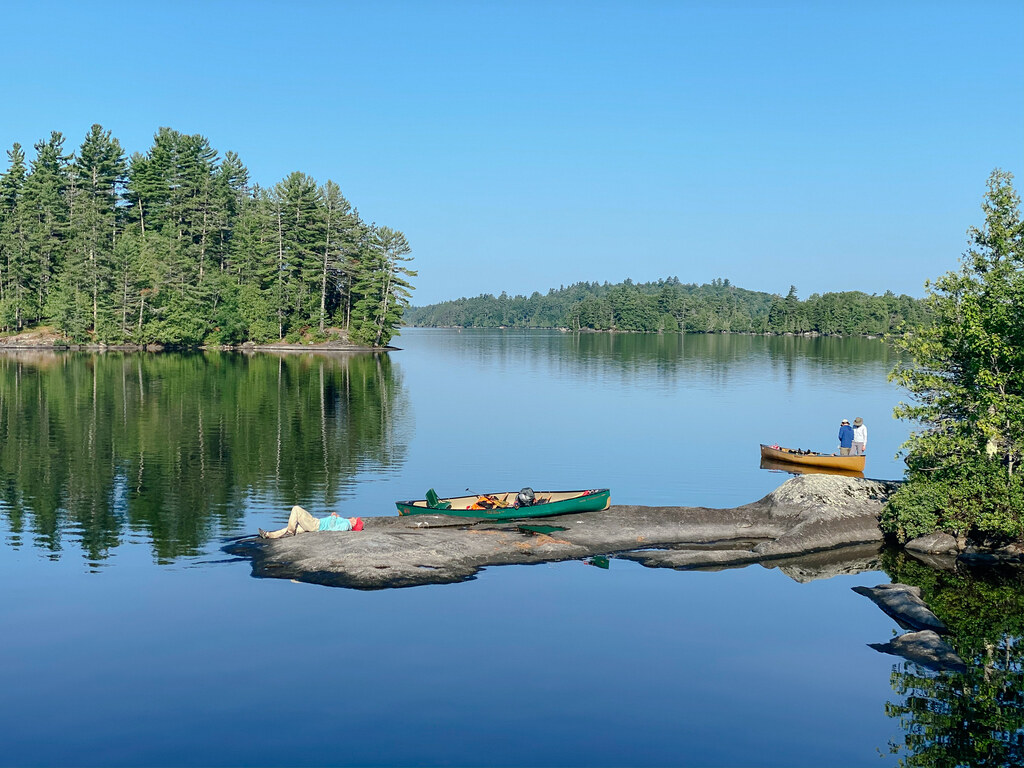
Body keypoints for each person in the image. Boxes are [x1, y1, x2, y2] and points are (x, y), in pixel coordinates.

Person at [259, 505, 364, 539]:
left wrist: (333, 517)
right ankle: (268, 535)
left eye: (356, 519)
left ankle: (290, 533)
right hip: (316, 525)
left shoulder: (346, 524)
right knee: (288, 528)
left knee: (296, 509)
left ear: (354, 524)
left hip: (316, 525)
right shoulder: (345, 522)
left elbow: (332, 529)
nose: (354, 517)